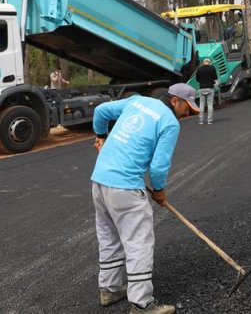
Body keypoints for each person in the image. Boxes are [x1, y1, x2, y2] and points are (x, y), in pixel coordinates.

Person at [90, 83, 199, 314]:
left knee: (109, 236)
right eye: (187, 108)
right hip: (125, 187)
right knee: (138, 243)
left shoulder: (136, 101)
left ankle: (110, 289)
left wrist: (101, 135)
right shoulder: (169, 123)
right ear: (175, 101)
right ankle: (142, 304)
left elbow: (100, 111)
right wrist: (159, 190)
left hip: (99, 181)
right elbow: (159, 166)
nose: (188, 114)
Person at [195, 58, 218, 125]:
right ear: (209, 62)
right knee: (210, 105)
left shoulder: (199, 69)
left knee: (201, 105)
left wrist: (202, 81)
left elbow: (197, 79)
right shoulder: (212, 68)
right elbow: (215, 78)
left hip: (202, 88)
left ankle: (201, 121)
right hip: (210, 88)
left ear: (203, 62)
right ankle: (209, 121)